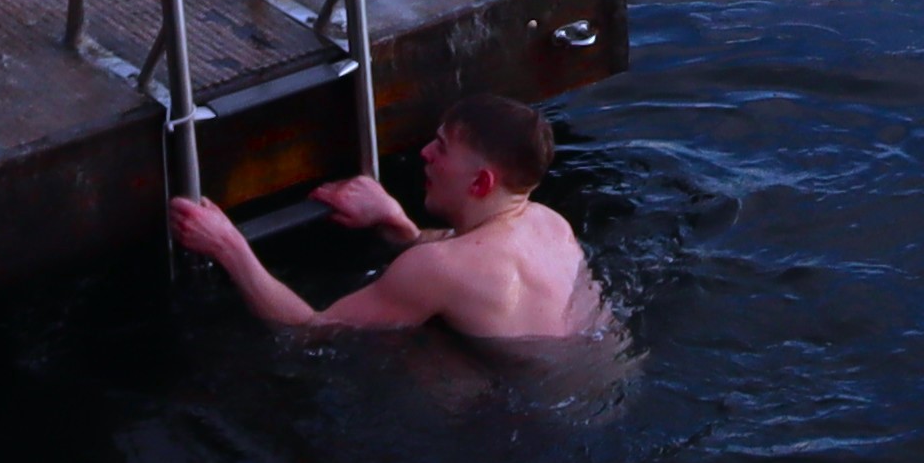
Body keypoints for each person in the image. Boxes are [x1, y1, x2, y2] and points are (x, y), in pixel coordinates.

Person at [167, 98, 616, 341]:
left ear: (480, 182)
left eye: (440, 148)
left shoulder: (437, 269)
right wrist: (398, 224)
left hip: (519, 426)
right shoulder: (549, 223)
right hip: (598, 384)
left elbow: (309, 331)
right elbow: (467, 262)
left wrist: (228, 245)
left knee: (428, 361)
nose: (423, 153)